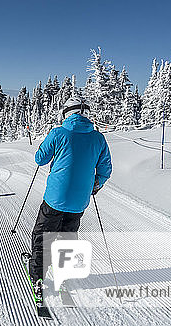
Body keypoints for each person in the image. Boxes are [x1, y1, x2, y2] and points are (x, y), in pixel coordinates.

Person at [29, 96, 112, 300]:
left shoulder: (59, 132)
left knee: (43, 234)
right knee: (68, 234)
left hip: (55, 197)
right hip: (79, 200)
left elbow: (40, 158)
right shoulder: (98, 138)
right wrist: (96, 184)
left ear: (66, 113)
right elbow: (105, 169)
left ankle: (38, 277)